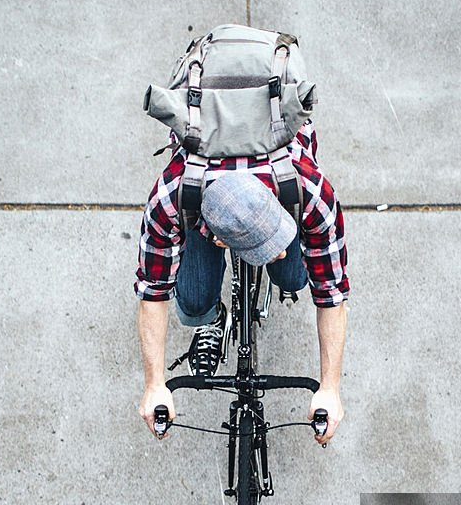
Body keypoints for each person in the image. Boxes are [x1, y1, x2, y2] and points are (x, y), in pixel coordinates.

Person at [135, 120, 349, 445]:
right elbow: (153, 291)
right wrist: (154, 384)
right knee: (193, 300)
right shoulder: (171, 197)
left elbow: (331, 293)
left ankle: (281, 259)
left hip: (281, 183)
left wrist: (331, 388)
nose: (270, 252)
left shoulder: (311, 193)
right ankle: (213, 321)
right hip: (202, 201)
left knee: (293, 275)